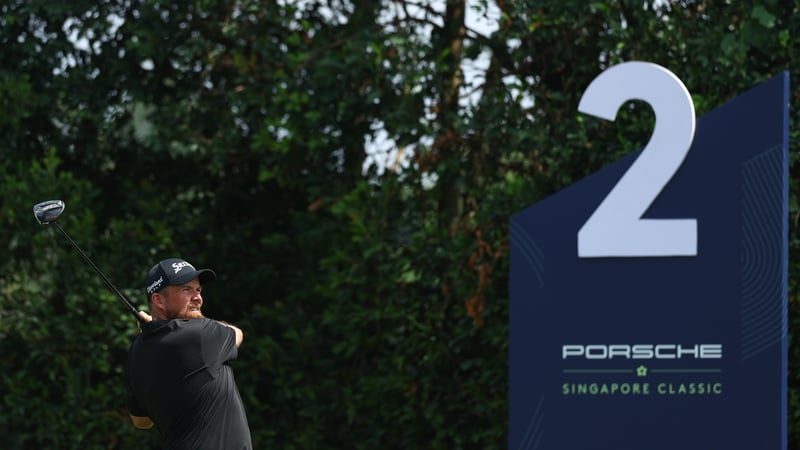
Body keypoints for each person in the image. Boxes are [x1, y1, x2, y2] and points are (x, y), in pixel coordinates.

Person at [125, 258, 252, 449]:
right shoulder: (198, 334)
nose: (198, 298)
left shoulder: (136, 352)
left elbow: (142, 421)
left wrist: (156, 329)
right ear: (158, 300)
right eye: (186, 289)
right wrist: (159, 326)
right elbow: (237, 334)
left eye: (198, 290)